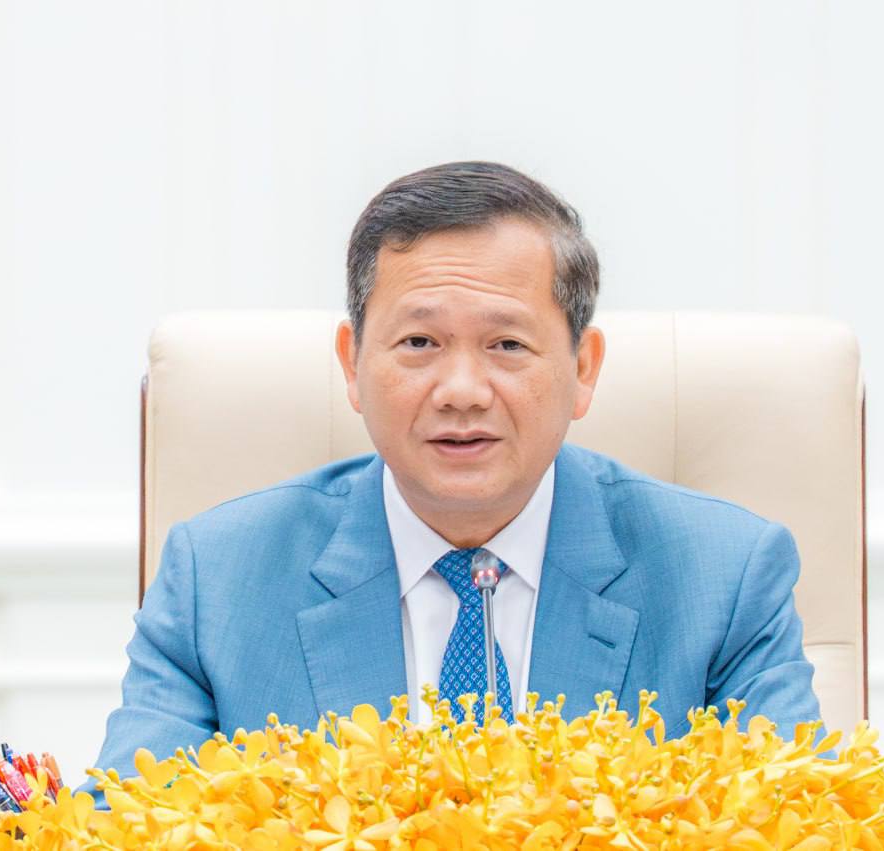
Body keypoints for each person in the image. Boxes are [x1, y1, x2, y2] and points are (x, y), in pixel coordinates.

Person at [79, 161, 823, 800]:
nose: (462, 390)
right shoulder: (216, 581)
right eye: (419, 341)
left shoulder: (723, 576)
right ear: (352, 364)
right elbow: (128, 826)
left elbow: (797, 823)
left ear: (583, 368)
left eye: (507, 344)